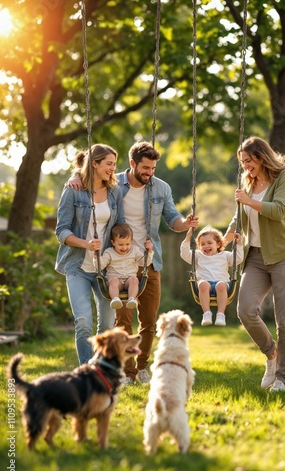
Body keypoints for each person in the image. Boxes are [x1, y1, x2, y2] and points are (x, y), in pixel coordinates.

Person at [67, 140, 198, 385]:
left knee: (148, 320)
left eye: (153, 168)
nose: (149, 173)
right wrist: (75, 174)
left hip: (149, 261)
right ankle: (125, 372)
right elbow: (90, 175)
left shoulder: (161, 188)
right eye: (145, 167)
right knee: (122, 320)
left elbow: (173, 218)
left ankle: (142, 367)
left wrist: (186, 223)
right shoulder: (114, 183)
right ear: (132, 163)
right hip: (118, 262)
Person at [224, 136, 285, 392]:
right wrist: (222, 239)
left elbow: (279, 210)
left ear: (261, 156)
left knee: (284, 321)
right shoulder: (247, 182)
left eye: (248, 160)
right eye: (242, 162)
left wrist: (249, 202)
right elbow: (238, 216)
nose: (245, 166)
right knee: (245, 310)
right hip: (256, 256)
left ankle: (281, 378)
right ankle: (271, 355)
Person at [55, 144, 125, 365]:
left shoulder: (115, 192)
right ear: (94, 163)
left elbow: (120, 226)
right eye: (108, 164)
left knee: (106, 325)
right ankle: (87, 371)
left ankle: (101, 367)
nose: (113, 169)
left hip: (105, 267)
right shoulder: (73, 190)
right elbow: (61, 230)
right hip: (77, 266)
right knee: (83, 321)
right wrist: (85, 244)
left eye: (114, 164)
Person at [180, 225, 243, 327]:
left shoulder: (225, 255)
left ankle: (221, 314)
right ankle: (207, 313)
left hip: (222, 284)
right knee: (203, 284)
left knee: (221, 285)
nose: (206, 246)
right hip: (205, 285)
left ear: (218, 244)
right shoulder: (198, 256)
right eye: (202, 244)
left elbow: (238, 259)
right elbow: (184, 254)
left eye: (209, 243)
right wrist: (188, 237)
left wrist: (239, 243)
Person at [94, 222, 153, 310]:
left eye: (127, 244)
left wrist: (150, 251)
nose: (124, 247)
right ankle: (115, 299)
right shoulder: (109, 252)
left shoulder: (135, 250)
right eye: (120, 244)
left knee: (134, 280)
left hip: (129, 280)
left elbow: (144, 262)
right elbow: (100, 265)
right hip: (115, 282)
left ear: (131, 242)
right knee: (113, 281)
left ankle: (131, 299)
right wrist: (97, 257)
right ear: (113, 242)